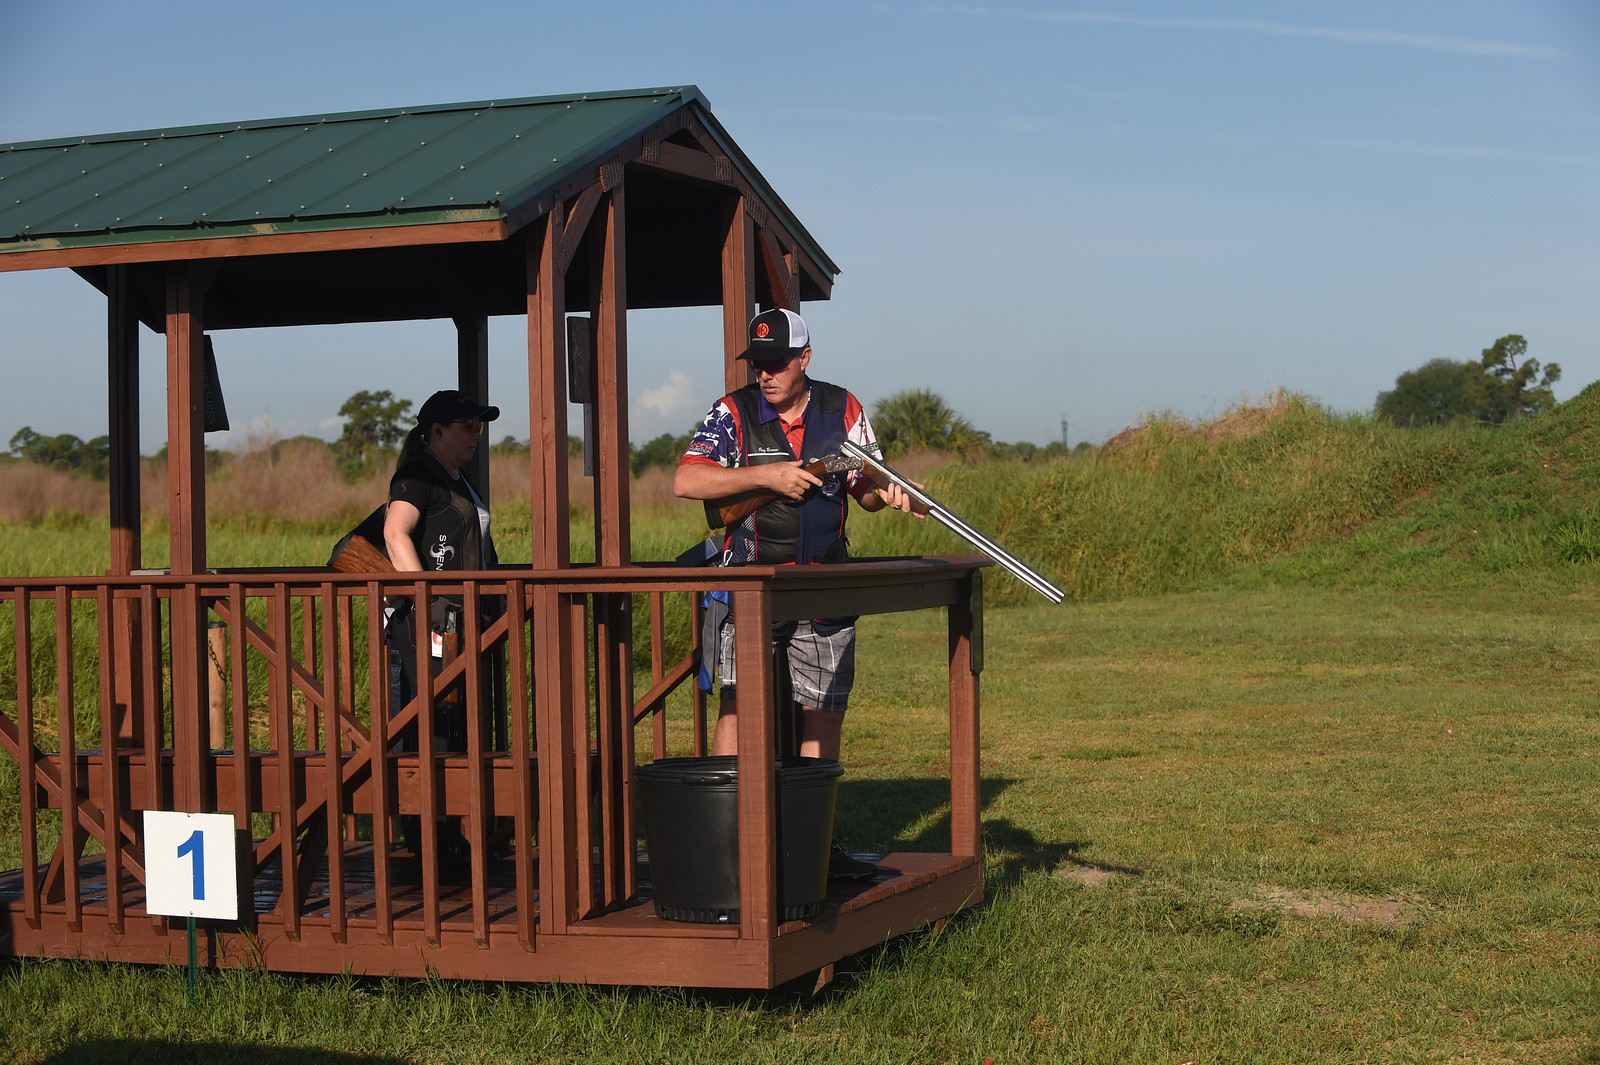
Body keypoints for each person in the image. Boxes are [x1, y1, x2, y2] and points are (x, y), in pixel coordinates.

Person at [673, 308, 924, 880]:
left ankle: (810, 844)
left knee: (822, 715)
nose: (766, 373)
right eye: (758, 363)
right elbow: (687, 480)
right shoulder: (732, 411)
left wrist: (895, 494)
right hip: (752, 588)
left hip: (825, 587)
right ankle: (726, 842)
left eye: (778, 362)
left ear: (805, 359)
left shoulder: (844, 409)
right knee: (736, 706)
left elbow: (866, 488)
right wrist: (771, 477)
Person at [383, 389, 500, 868]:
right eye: (466, 426)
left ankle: (455, 838)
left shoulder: (455, 477)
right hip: (434, 625)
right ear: (435, 432)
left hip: (460, 623)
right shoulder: (416, 476)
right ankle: (430, 842)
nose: (476, 436)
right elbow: (395, 532)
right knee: (435, 729)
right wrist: (424, 596)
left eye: (479, 426)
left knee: (456, 725)